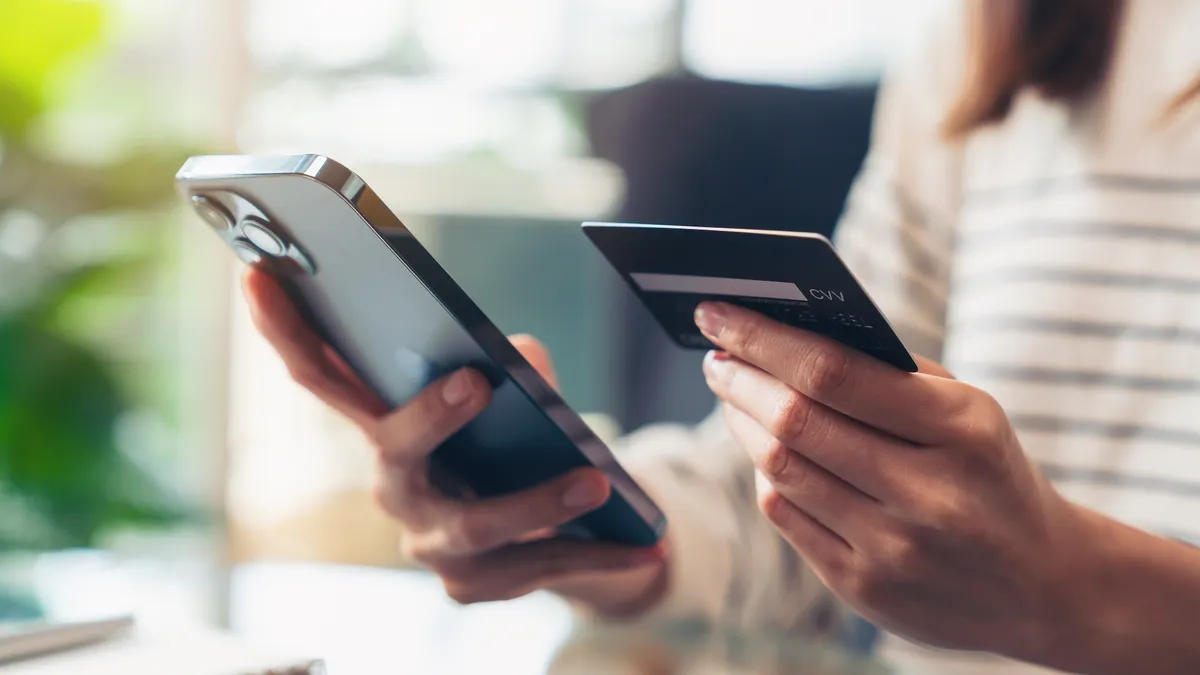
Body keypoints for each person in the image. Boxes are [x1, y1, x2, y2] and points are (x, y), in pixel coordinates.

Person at [239, 1, 1200, 672]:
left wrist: (1069, 591)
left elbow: (1009, 575)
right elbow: (803, 543)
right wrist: (586, 517)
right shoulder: (1000, 38)